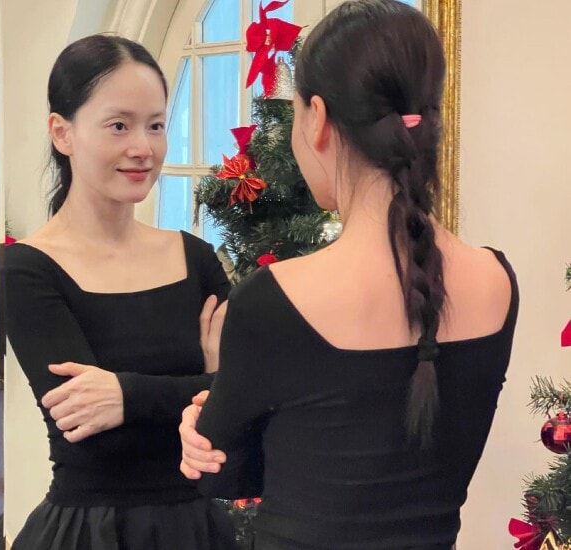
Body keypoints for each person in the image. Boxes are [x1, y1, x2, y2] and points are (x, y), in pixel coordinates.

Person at [179, 1, 519, 548]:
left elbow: (220, 473)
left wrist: (204, 424)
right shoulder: (497, 281)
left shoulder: (273, 301)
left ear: (317, 118)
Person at [5, 34, 236, 550]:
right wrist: (206, 385)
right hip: (90, 534)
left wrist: (125, 395)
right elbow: (92, 438)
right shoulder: (28, 269)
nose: (143, 148)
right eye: (118, 126)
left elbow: (247, 404)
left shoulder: (195, 259)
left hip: (198, 530)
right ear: (62, 133)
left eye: (156, 125)